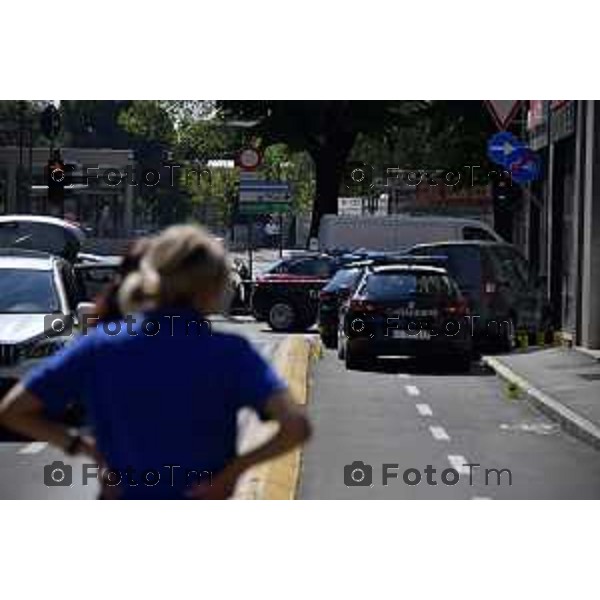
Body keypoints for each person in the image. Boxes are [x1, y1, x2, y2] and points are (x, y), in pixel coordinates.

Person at [0, 225, 311, 499]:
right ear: (215, 288)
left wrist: (81, 446)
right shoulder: (231, 353)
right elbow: (295, 426)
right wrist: (230, 475)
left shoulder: (100, 346)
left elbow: (15, 410)